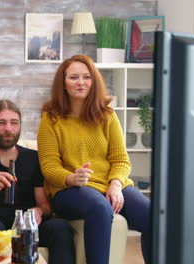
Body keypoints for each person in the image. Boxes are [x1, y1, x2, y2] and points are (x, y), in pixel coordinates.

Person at [37, 55, 151, 264]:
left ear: (94, 81)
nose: (80, 82)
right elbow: (49, 166)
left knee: (152, 216)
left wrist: (116, 185)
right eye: (73, 77)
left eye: (86, 77)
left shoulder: (107, 115)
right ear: (63, 83)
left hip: (110, 185)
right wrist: (72, 178)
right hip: (69, 190)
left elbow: (121, 160)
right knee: (100, 207)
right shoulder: (50, 119)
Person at [0, 99, 75, 264]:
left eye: (14, 123)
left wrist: (38, 211)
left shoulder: (33, 158)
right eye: (1, 123)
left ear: (20, 126)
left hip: (27, 227)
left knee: (60, 227)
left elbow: (45, 206)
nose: (8, 129)